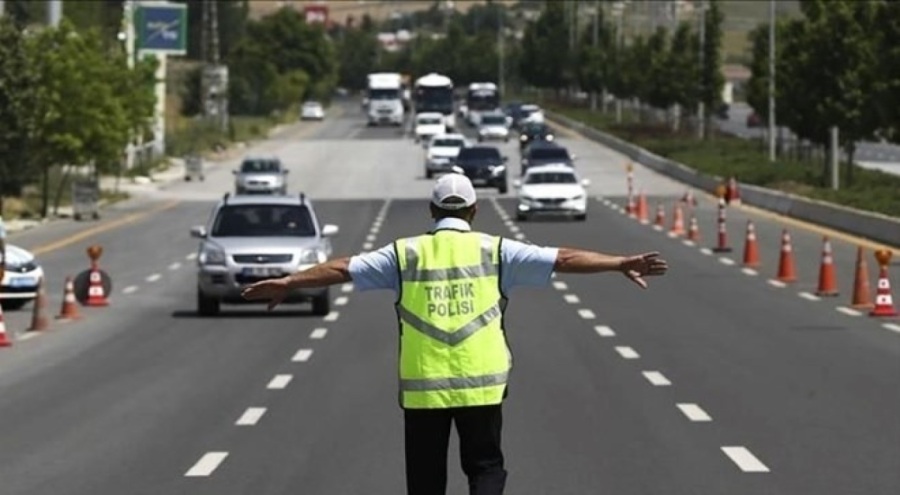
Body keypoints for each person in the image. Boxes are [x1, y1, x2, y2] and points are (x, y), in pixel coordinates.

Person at [241, 174, 668, 495]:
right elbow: (564, 257)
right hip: (482, 384)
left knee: (426, 478)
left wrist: (289, 282)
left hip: (424, 388)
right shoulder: (497, 250)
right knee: (485, 467)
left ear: (431, 212)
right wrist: (617, 262)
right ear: (473, 211)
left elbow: (340, 268)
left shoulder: (404, 254)